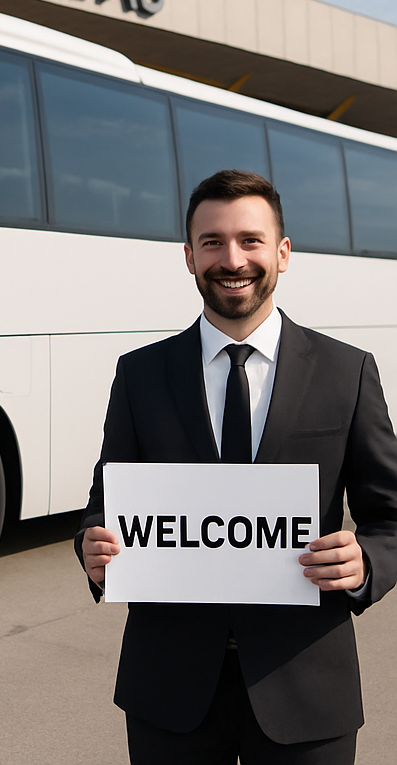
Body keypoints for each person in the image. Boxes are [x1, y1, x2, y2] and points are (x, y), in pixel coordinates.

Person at [76, 169, 397, 764]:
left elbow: (391, 519)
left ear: (282, 253)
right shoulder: (140, 374)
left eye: (250, 240)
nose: (233, 258)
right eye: (212, 242)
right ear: (189, 258)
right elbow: (104, 504)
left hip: (305, 683)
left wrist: (366, 561)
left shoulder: (346, 372)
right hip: (170, 687)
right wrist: (94, 550)